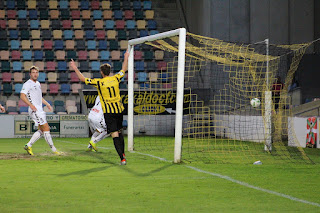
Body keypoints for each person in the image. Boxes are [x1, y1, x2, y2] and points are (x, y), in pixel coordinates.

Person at [70, 50, 129, 165]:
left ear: (102, 72)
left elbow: (83, 79)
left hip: (109, 112)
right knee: (120, 131)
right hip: (119, 110)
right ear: (110, 72)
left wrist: (75, 68)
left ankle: (122, 158)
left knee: (114, 134)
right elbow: (124, 69)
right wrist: (126, 57)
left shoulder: (99, 82)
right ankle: (123, 154)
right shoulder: (116, 78)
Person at [20, 66, 61, 156]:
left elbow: (39, 97)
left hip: (39, 109)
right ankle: (54, 150)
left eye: (36, 72)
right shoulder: (28, 84)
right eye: (33, 72)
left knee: (41, 130)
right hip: (34, 110)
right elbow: (22, 96)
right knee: (46, 128)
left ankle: (28, 145)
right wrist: (31, 105)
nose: (35, 74)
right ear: (30, 74)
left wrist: (47, 103)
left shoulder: (38, 83)